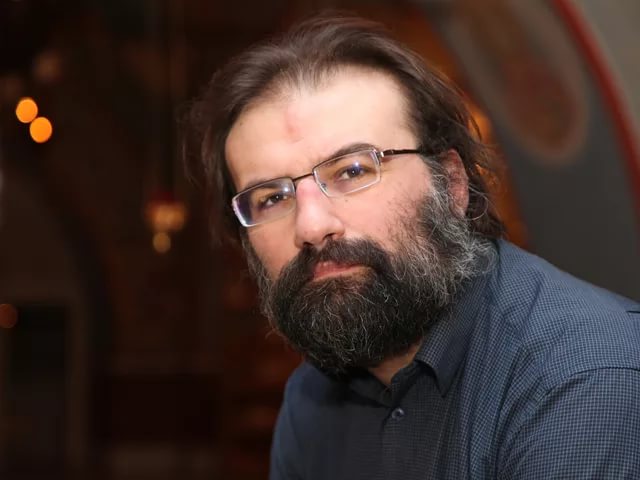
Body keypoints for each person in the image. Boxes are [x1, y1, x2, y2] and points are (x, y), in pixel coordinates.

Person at [185, 14, 640, 480]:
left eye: (352, 171)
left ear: (452, 184)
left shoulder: (584, 377)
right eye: (271, 198)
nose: (312, 226)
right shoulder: (311, 397)